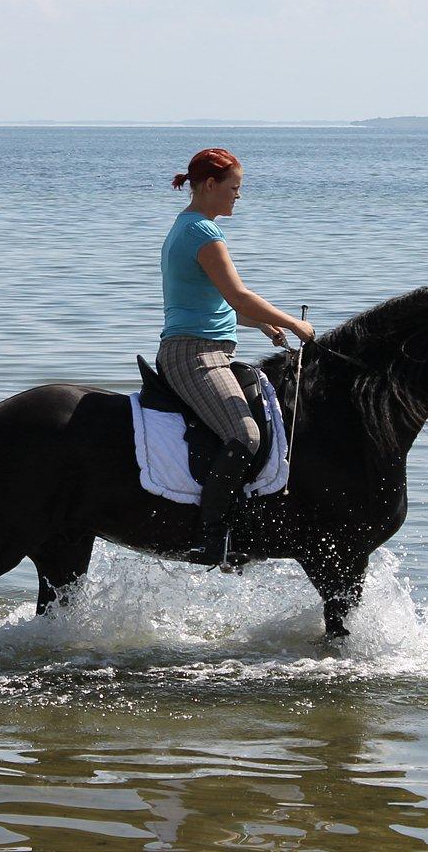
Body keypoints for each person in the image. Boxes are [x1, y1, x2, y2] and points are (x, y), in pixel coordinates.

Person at [158, 147, 315, 569]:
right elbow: (239, 294)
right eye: (234, 188)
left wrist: (259, 324)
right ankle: (211, 540)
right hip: (195, 356)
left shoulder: (189, 226)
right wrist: (297, 326)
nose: (238, 197)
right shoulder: (202, 234)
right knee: (245, 435)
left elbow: (216, 307)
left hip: (206, 348)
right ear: (210, 185)